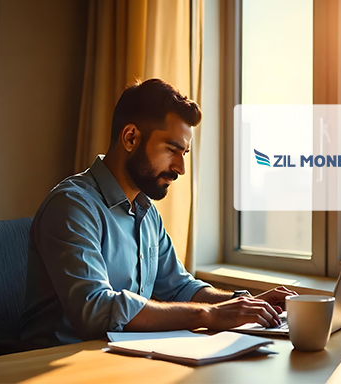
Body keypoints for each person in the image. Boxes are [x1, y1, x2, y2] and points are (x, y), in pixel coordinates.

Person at [20, 78, 297, 348]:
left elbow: (179, 288)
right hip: (56, 366)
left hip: (121, 362)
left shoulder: (147, 213)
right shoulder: (72, 206)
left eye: (184, 153)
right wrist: (208, 315)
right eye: (171, 150)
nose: (180, 168)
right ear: (130, 137)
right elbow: (95, 310)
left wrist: (245, 303)